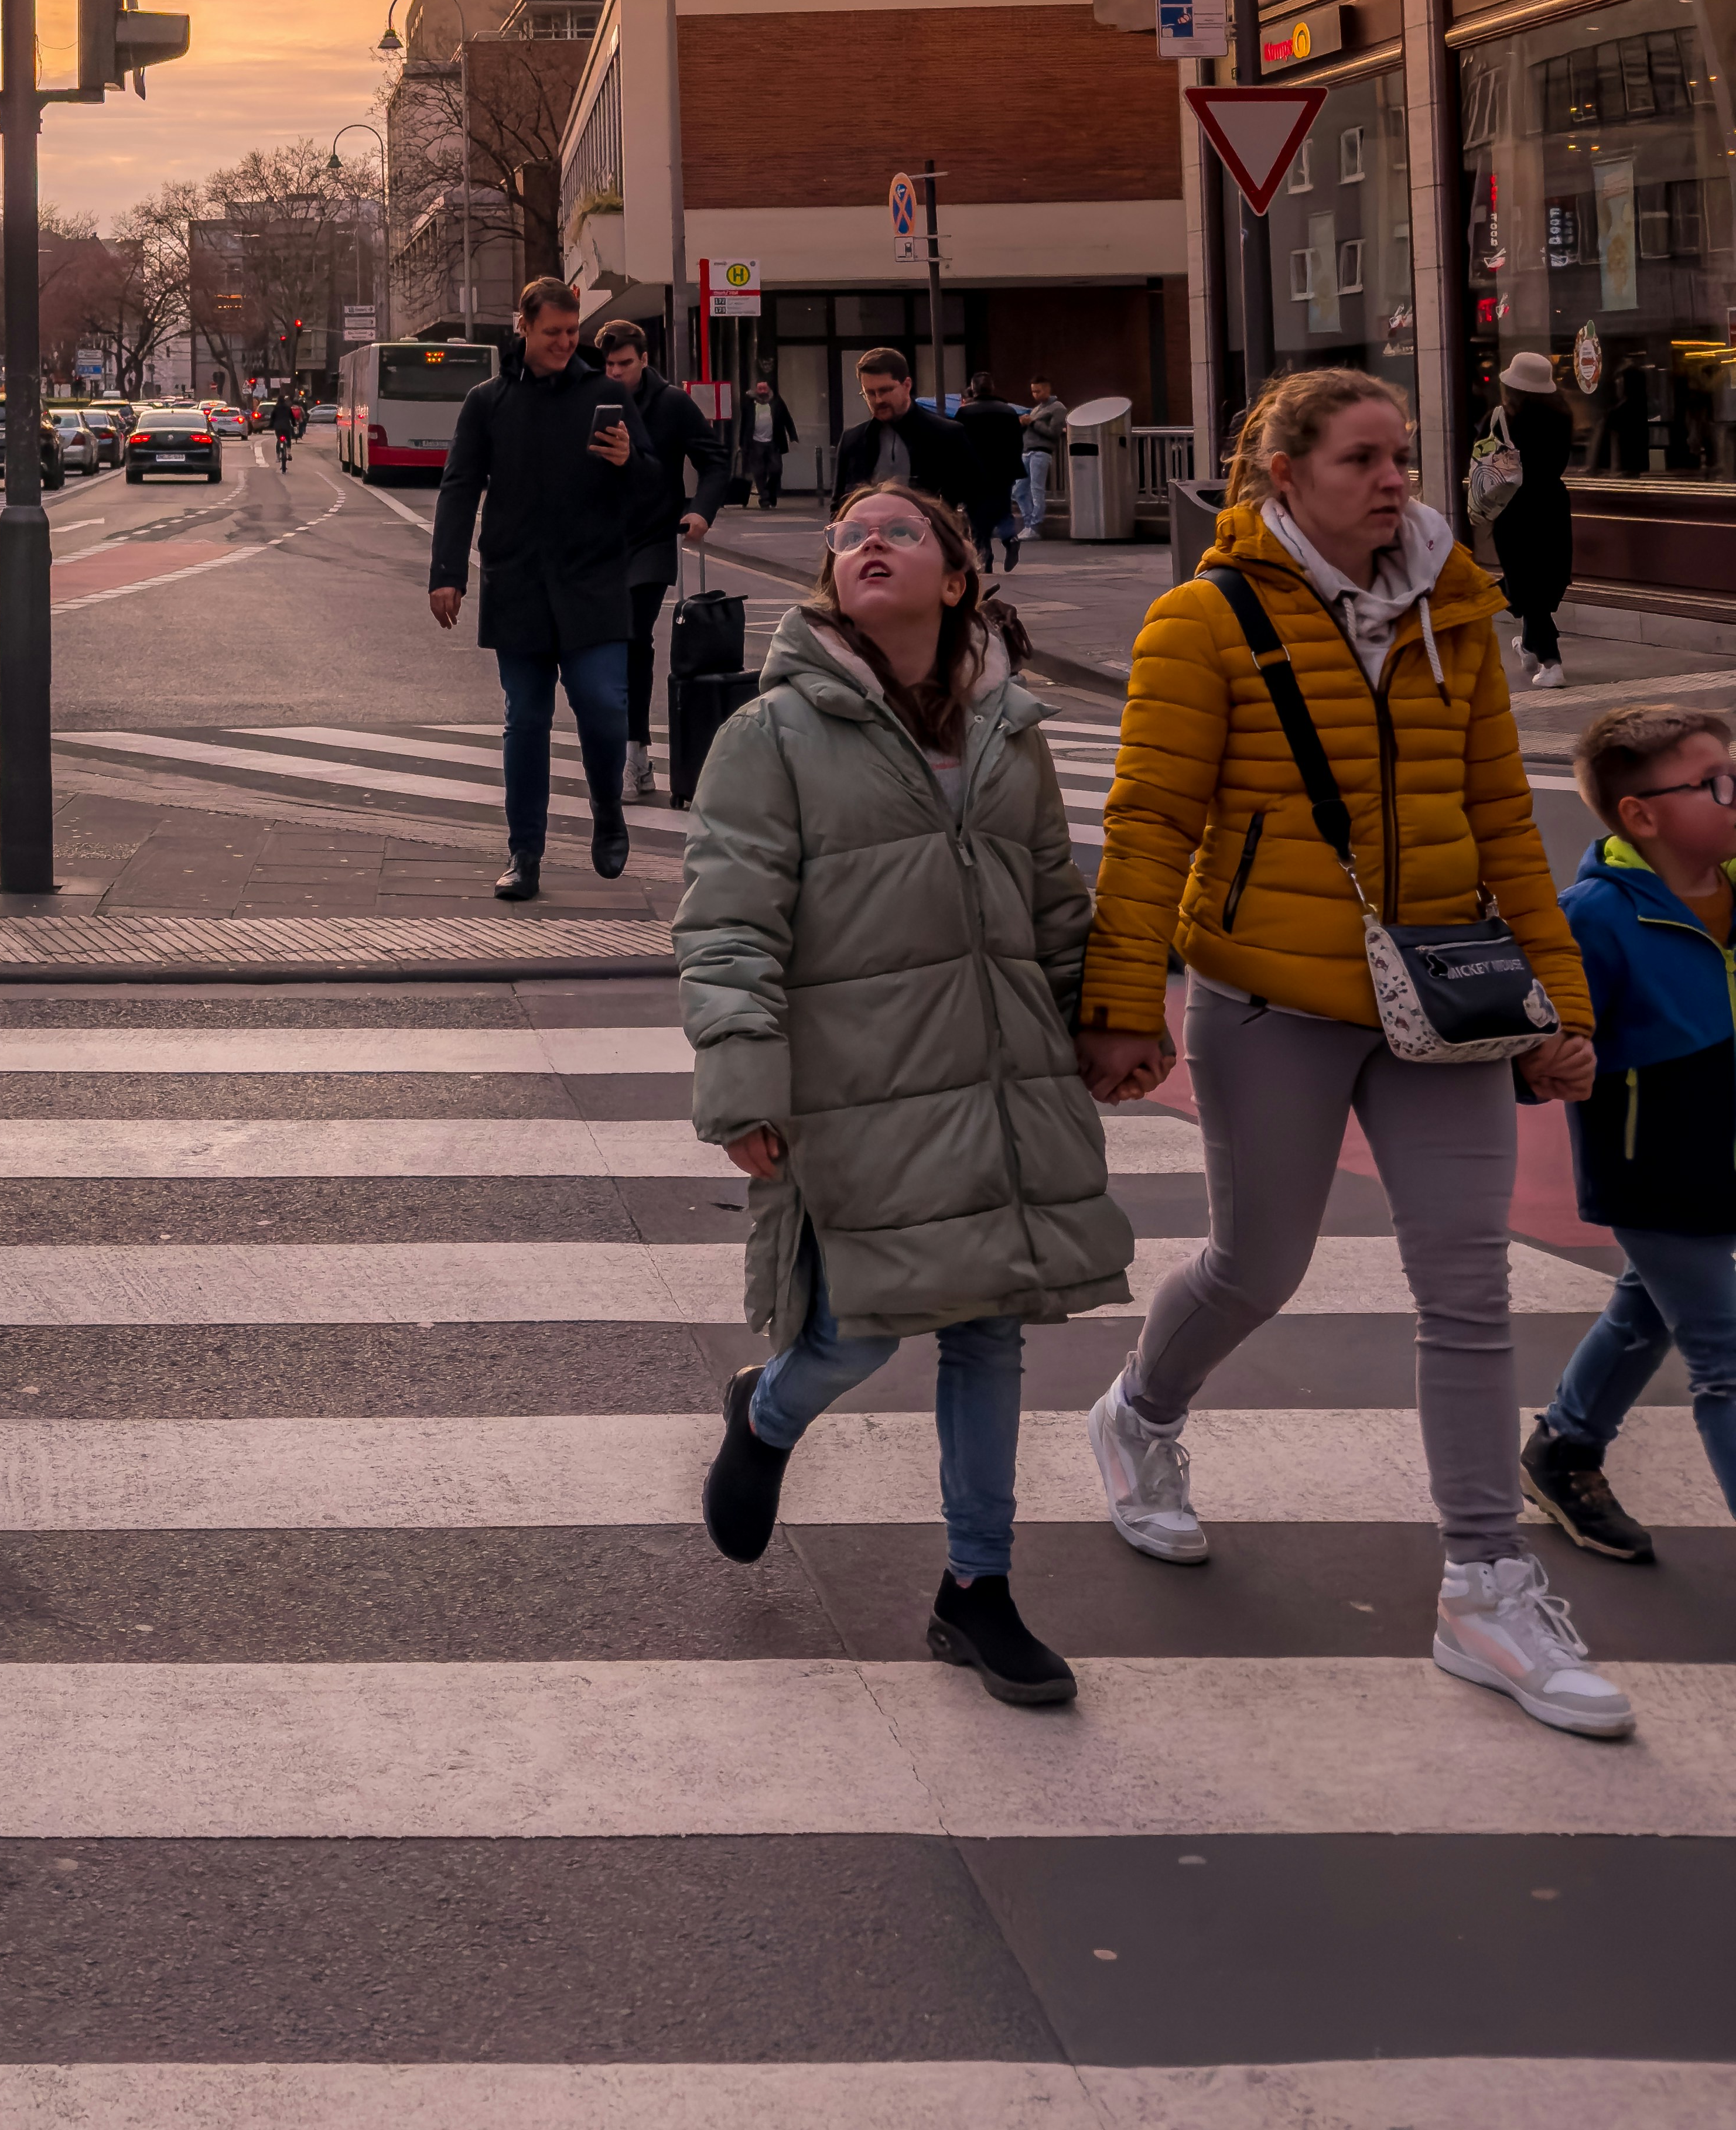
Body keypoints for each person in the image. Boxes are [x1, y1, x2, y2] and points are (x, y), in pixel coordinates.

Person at [1079, 367, 1615, 1735]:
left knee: (1468, 1287)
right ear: (1286, 475)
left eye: (1405, 459)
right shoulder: (1204, 623)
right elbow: (1147, 828)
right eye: (1366, 459)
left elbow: (1506, 821)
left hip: (1442, 999)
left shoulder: (1458, 612)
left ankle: (1486, 1587)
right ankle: (1140, 1414)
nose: (1397, 481)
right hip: (1272, 999)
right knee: (1258, 1266)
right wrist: (1123, 1008)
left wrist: (1563, 1006)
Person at [681, 485, 1142, 1708]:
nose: (868, 540)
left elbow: (1051, 896)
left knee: (989, 1328)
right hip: (859, 1082)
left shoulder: (1011, 729)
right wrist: (742, 1080)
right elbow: (728, 922)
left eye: (900, 528)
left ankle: (976, 1592)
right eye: (848, 533)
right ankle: (769, 1415)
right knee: (861, 1331)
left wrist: (1102, 1023)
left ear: (956, 575)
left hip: (997, 1076)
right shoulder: (771, 734)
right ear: (831, 581)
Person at [1518, 700, 1736, 1560]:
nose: (1735, 794)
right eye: (1715, 784)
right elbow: (1539, 1053)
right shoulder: (1593, 919)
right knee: (1725, 1354)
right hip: (1654, 1171)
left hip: (1727, 1156)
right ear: (1642, 816)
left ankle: (1566, 1447)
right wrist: (1547, 1062)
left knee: (1647, 1309)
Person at [428, 275, 641, 896]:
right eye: (554, 333)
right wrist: (447, 574)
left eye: (574, 333)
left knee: (603, 706)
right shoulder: (488, 401)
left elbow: (651, 483)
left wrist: (630, 460)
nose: (566, 343)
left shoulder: (606, 395)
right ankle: (525, 855)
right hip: (517, 583)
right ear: (523, 327)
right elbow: (460, 486)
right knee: (526, 719)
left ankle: (607, 809)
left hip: (594, 581)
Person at [590, 318, 731, 806]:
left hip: (651, 538)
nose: (616, 373)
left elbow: (716, 460)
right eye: (608, 365)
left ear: (644, 360)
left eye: (625, 364)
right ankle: (632, 755)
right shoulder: (590, 398)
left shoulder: (672, 404)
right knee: (602, 642)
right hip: (598, 540)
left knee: (633, 636)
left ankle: (634, 754)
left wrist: (700, 510)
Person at [1487, 347, 1574, 690]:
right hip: (1552, 502)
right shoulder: (1564, 416)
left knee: (1524, 581)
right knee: (1544, 578)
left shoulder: (1500, 419)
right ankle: (1527, 645)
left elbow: (1482, 462)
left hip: (1514, 505)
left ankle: (1552, 664)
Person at [835, 347, 958, 502]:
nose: (878, 400)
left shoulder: (947, 435)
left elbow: (977, 499)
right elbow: (838, 505)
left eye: (885, 390)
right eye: (870, 393)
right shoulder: (852, 440)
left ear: (907, 385)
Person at [951, 373, 1029, 575]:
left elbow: (959, 444)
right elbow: (1017, 442)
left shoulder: (965, 413)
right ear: (992, 388)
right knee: (1002, 509)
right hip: (1003, 472)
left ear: (973, 389)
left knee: (976, 515)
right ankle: (1010, 538)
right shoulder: (1009, 411)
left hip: (974, 472)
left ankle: (984, 555)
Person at [1019, 380, 1069, 551]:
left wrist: (1032, 422)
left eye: (1038, 391)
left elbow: (1053, 433)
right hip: (1027, 451)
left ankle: (1034, 526)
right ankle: (1028, 523)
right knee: (1018, 490)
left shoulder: (1058, 408)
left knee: (1036, 490)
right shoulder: (1037, 408)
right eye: (1033, 391)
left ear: (1047, 389)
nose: (1035, 395)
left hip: (1040, 452)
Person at [743, 377, 792, 514]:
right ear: (756, 390)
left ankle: (771, 492)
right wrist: (743, 443)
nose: (762, 391)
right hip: (755, 442)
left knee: (776, 470)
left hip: (773, 442)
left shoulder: (777, 402)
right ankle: (764, 499)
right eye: (760, 389)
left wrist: (792, 435)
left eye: (765, 388)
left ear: (769, 389)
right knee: (759, 472)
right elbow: (744, 424)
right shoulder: (750, 404)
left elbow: (786, 418)